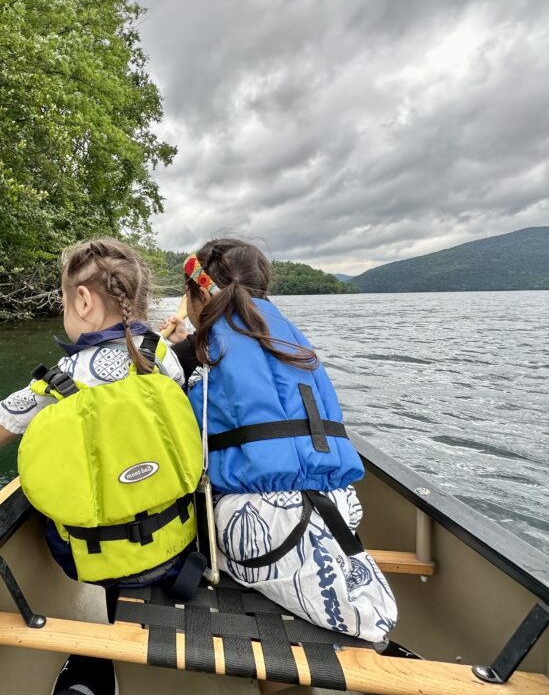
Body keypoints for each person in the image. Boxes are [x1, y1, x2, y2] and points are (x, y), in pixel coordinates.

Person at [0, 236, 201, 695]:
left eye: (63, 302)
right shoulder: (160, 354)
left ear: (81, 299)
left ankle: (95, 658)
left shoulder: (59, 381)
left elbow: (6, 418)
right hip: (174, 543)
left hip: (91, 560)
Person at [161, 238, 397, 643]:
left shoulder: (200, 348)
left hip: (263, 527)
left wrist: (173, 346)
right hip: (340, 509)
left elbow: (160, 408)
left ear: (200, 293)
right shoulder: (288, 338)